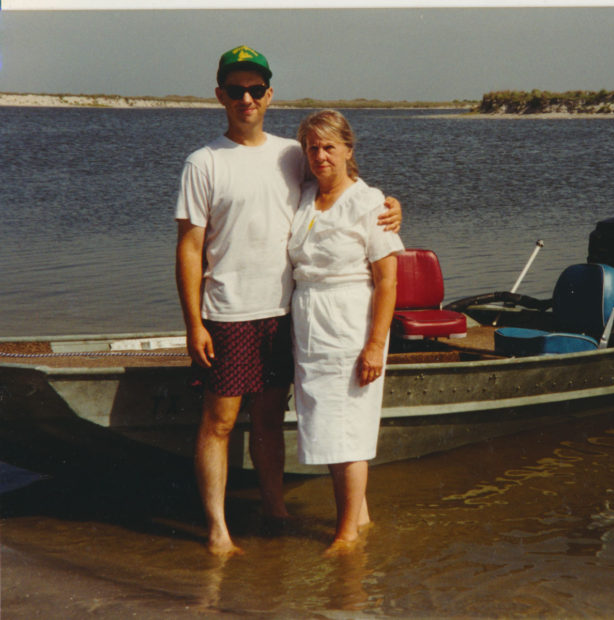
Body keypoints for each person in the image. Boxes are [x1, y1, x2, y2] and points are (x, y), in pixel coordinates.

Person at [174, 46, 401, 557]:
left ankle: (275, 513)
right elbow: (189, 248)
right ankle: (218, 533)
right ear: (221, 97)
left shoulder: (290, 154)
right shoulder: (203, 162)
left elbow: (341, 186)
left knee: (271, 420)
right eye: (236, 90)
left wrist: (390, 205)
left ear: (269, 95)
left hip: (282, 315)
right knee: (221, 422)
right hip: (227, 312)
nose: (246, 98)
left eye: (255, 89)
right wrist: (194, 323)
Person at [289, 110, 403, 555]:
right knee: (327, 424)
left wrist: (375, 344)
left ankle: (346, 536)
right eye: (313, 148)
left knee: (347, 430)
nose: (320, 156)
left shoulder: (369, 202)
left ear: (349, 150)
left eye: (329, 147)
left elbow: (388, 281)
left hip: (351, 325)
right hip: (309, 323)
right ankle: (363, 517)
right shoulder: (303, 197)